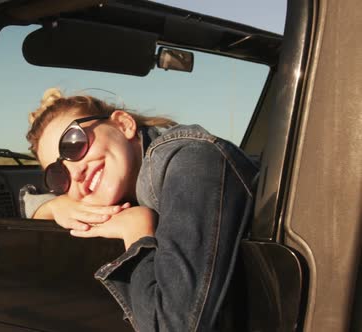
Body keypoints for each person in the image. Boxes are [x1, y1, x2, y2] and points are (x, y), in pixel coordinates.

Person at [22, 88, 259, 331]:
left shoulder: (188, 161)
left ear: (123, 124)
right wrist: (55, 205)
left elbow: (170, 327)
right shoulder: (137, 175)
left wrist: (136, 233)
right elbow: (29, 202)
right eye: (58, 175)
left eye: (74, 144)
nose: (76, 173)